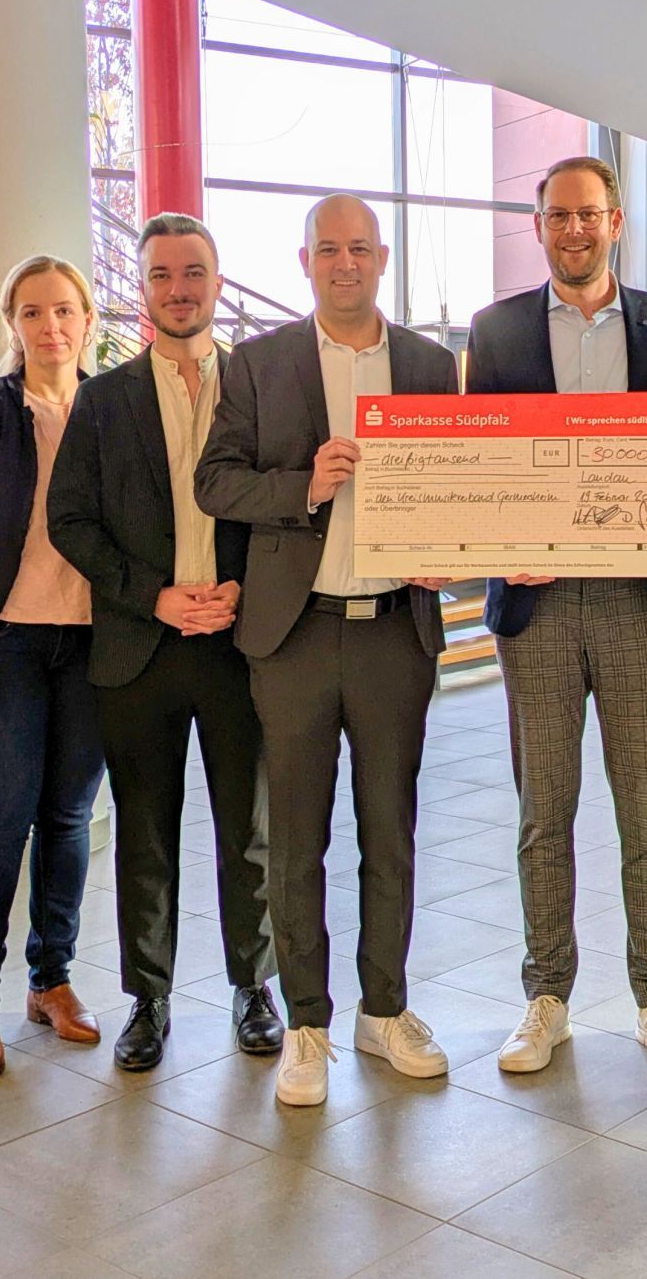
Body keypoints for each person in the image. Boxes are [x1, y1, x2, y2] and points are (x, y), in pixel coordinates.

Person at [194, 193, 458, 1108]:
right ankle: (307, 1023)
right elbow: (215, 480)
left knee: (391, 832)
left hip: (394, 632)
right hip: (294, 634)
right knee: (295, 840)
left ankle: (384, 1012)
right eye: (328, 249)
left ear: (382, 257)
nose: (345, 262)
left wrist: (448, 551)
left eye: (360, 248)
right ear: (304, 261)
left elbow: (460, 486)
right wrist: (301, 485)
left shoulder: (429, 365)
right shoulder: (259, 363)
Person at [465, 155, 647, 1080]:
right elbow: (484, 462)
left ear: (617, 222)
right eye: (559, 216)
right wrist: (501, 531)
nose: (575, 230)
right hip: (536, 603)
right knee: (546, 812)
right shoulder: (494, 331)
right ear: (540, 227)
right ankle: (547, 998)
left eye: (591, 215)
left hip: (635, 597)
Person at [48, 214, 281, 1074]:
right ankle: (147, 1000)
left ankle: (253, 987)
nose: (178, 289)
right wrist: (153, 597)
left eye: (193, 273)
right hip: (138, 649)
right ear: (140, 290)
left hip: (240, 642)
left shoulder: (260, 386)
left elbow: (288, 506)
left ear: (217, 283)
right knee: (145, 833)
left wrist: (245, 589)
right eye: (160, 276)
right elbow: (68, 519)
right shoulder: (102, 399)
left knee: (247, 831)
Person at [0, 255, 108, 1082]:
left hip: (92, 644)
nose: (50, 327)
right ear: (13, 323)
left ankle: (52, 980)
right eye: (32, 312)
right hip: (2, 645)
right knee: (0, 824)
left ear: (87, 320)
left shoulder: (111, 407)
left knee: (68, 820)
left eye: (64, 311)